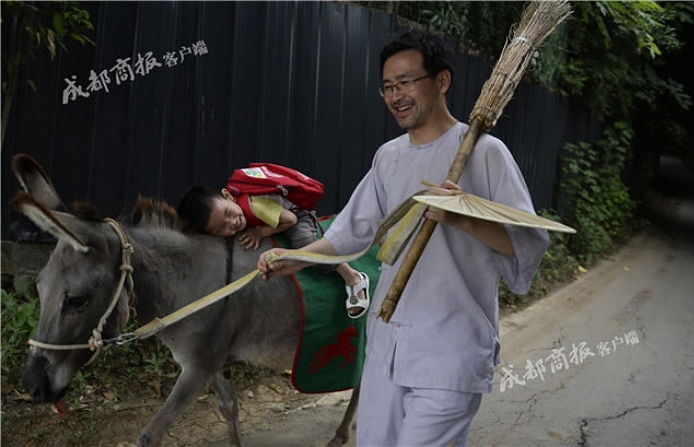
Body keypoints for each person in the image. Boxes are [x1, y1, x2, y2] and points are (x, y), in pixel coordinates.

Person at [257, 31, 549, 445]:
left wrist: (465, 218)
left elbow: (529, 242)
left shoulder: (486, 152)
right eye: (388, 87)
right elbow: (351, 231)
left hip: (450, 349)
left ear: (441, 81)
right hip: (387, 345)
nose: (396, 96)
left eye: (407, 82)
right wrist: (298, 258)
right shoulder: (388, 157)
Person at [177, 183, 370, 318]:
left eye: (228, 213)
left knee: (305, 244)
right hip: (275, 220)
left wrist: (260, 231)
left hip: (295, 214)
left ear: (228, 196)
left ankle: (352, 276)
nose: (232, 223)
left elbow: (290, 220)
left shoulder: (255, 205)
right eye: (221, 228)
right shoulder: (235, 215)